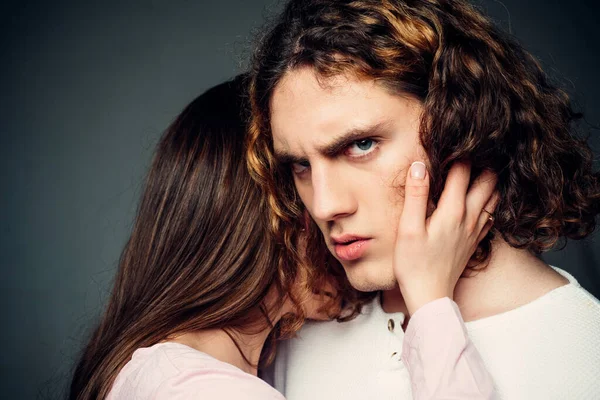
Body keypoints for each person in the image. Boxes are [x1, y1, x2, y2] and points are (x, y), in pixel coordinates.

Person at [246, 0, 600, 399]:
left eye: (361, 145)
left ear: (461, 124)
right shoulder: (293, 344)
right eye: (300, 166)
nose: (326, 205)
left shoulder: (585, 354)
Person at [68, 74, 498, 400]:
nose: (330, 210)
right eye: (301, 171)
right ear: (260, 222)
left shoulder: (167, 371)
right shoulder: (197, 389)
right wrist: (431, 302)